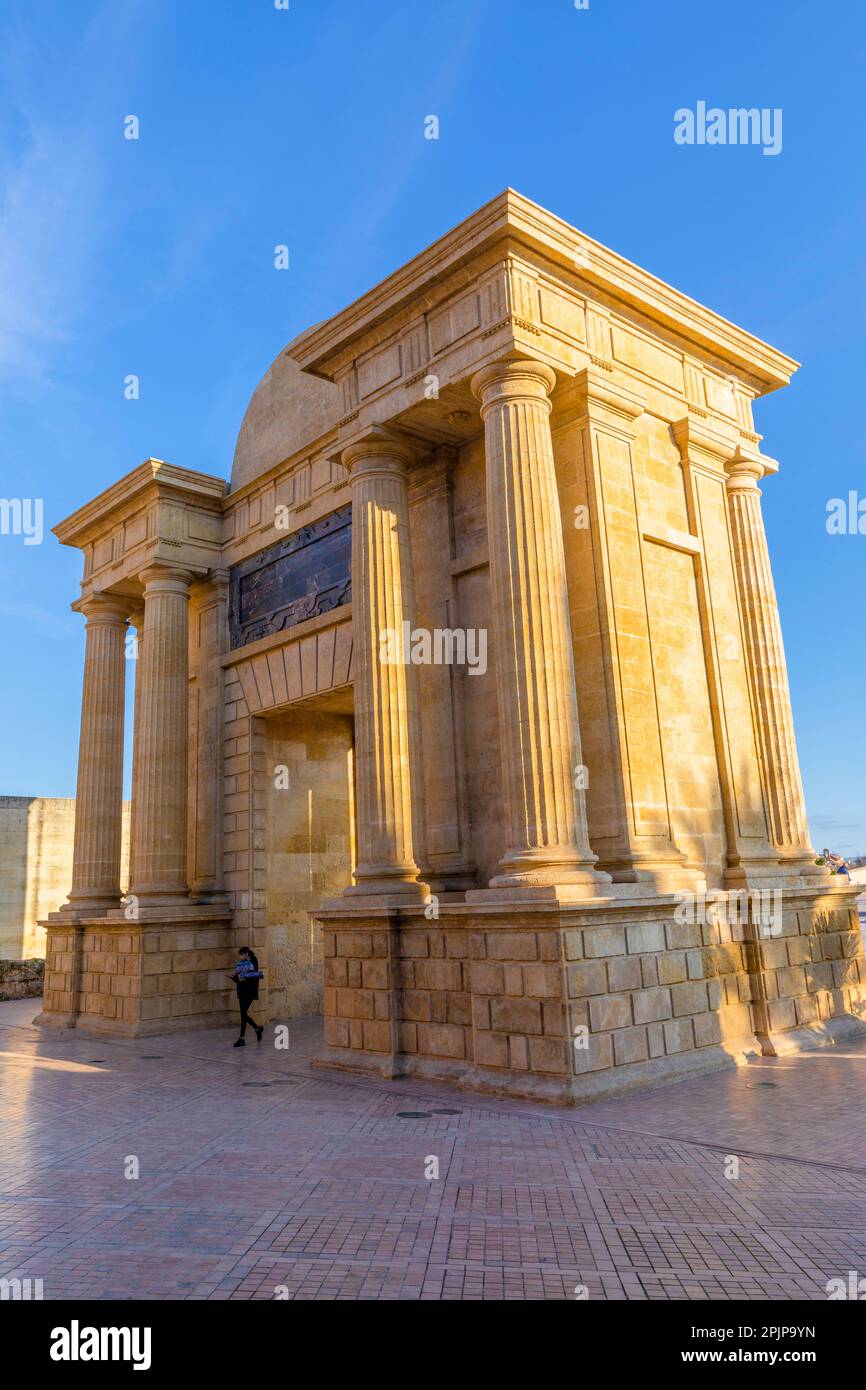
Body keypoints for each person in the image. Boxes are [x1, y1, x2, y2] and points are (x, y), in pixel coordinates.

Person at [227, 947, 264, 1047]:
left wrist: (243, 977)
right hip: (241, 991)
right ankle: (252, 1032)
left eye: (241, 954)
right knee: (243, 1014)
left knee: (243, 1013)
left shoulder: (253, 961)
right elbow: (240, 979)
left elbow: (252, 976)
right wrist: (234, 978)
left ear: (247, 954)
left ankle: (253, 1031)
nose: (240, 957)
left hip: (249, 991)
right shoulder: (239, 964)